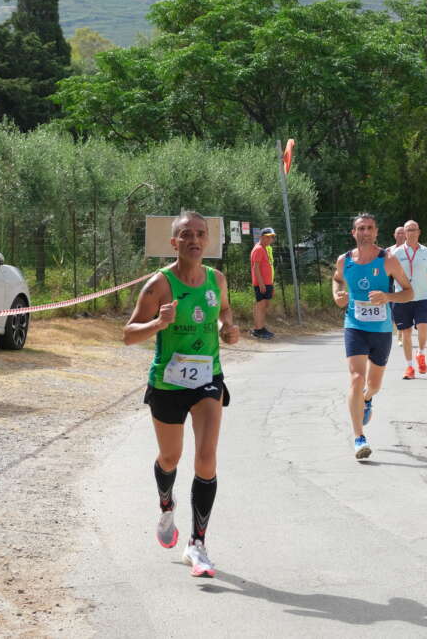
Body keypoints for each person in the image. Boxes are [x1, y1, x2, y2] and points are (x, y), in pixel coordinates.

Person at [123, 211, 240, 578]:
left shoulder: (216, 279)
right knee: (170, 458)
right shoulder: (159, 285)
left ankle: (198, 544)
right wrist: (158, 323)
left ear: (208, 241)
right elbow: (128, 334)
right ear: (174, 242)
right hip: (168, 384)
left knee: (206, 460)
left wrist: (228, 328)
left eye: (200, 234)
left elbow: (223, 312)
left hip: (208, 380)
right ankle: (165, 502)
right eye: (186, 234)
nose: (194, 239)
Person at [332, 213, 414, 460]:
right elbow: (337, 281)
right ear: (353, 233)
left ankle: (367, 399)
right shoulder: (344, 261)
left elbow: (409, 292)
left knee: (374, 385)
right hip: (354, 325)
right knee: (357, 377)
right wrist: (337, 294)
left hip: (380, 330)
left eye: (369, 228)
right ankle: (359, 438)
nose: (365, 232)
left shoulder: (387, 260)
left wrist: (388, 297)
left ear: (376, 232)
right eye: (360, 228)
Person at [392, 219, 427, 380]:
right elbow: (387, 274)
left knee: (422, 327)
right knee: (405, 333)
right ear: (404, 233)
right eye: (408, 230)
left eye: (414, 229)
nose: (411, 233)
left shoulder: (426, 252)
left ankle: (421, 353)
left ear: (419, 232)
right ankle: (409, 367)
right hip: (402, 298)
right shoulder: (396, 253)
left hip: (422, 297)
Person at [249, 228, 276, 339]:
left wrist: (270, 283)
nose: (270, 239)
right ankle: (258, 330)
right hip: (262, 284)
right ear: (262, 237)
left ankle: (261, 327)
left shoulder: (266, 248)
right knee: (260, 306)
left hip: (267, 283)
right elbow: (255, 268)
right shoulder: (259, 249)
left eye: (272, 237)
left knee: (264, 306)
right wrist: (261, 284)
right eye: (268, 237)